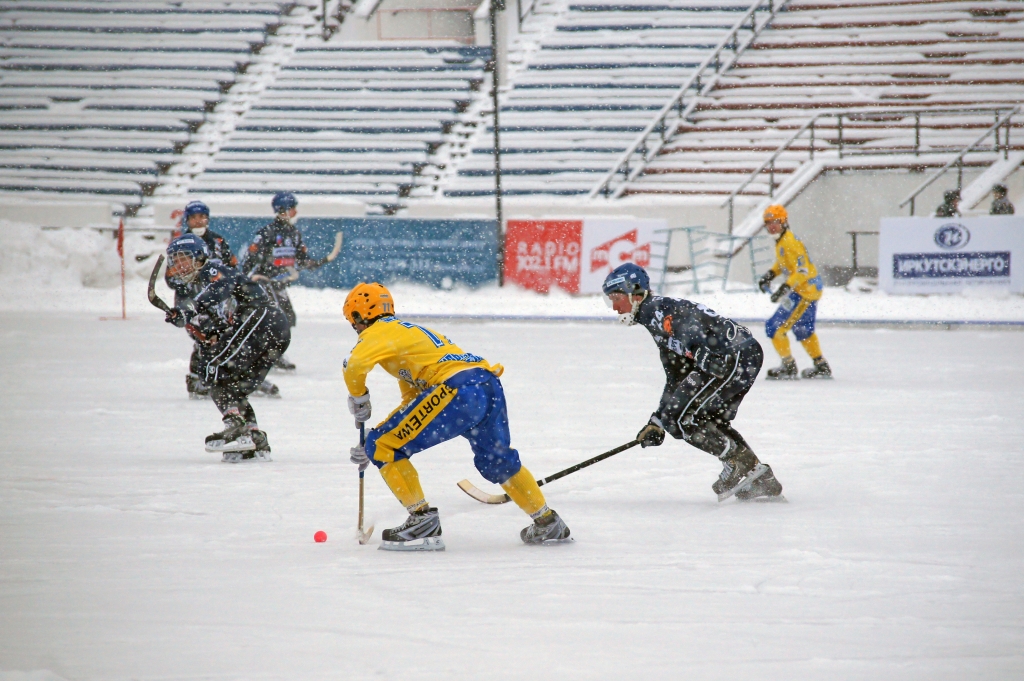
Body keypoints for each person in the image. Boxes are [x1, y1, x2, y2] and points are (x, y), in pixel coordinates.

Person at [342, 282, 571, 550]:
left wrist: (361, 403)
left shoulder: (378, 331)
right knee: (497, 460)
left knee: (383, 446)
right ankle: (546, 522)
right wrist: (377, 433)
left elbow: (353, 366)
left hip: (457, 390)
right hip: (486, 384)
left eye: (353, 322)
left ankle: (422, 521)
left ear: (360, 316)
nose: (355, 329)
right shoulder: (410, 337)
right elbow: (413, 403)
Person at [602, 263, 783, 502]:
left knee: (682, 419)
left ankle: (736, 462)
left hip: (732, 357)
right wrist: (656, 420)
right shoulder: (653, 317)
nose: (614, 307)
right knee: (700, 419)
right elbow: (676, 375)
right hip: (741, 355)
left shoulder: (655, 310)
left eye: (616, 298)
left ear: (635, 294)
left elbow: (689, 324)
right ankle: (760, 477)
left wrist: (700, 351)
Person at [163, 234, 291, 463]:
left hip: (261, 318)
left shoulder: (212, 269)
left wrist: (189, 309)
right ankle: (253, 437)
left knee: (210, 367)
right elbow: (218, 321)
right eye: (175, 260)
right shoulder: (196, 286)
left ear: (199, 257)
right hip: (273, 332)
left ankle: (235, 425)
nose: (179, 265)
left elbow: (219, 289)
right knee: (232, 384)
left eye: (183, 258)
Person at [168, 201, 280, 400]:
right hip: (192, 302)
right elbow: (171, 277)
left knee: (230, 336)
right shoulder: (180, 244)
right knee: (205, 339)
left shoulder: (218, 242)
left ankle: (244, 377)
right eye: (194, 217)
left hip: (221, 302)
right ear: (188, 220)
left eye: (202, 216)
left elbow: (233, 269)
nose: (198, 220)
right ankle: (201, 379)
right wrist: (192, 291)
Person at [242, 192, 331, 372]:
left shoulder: (294, 234)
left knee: (287, 318)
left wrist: (312, 262)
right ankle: (262, 355)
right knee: (271, 319)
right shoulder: (267, 233)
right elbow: (250, 259)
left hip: (279, 285)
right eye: (292, 209)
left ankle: (274, 354)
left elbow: (301, 257)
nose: (296, 212)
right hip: (264, 283)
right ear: (282, 210)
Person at [757, 204, 832, 380]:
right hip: (804, 289)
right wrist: (770, 274)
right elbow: (784, 263)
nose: (772, 226)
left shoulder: (789, 242)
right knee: (803, 330)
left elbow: (802, 269)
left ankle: (788, 366)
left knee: (775, 327)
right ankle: (821, 365)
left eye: (775, 222)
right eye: (768, 223)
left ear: (784, 221)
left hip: (805, 291)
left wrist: (785, 287)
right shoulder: (783, 241)